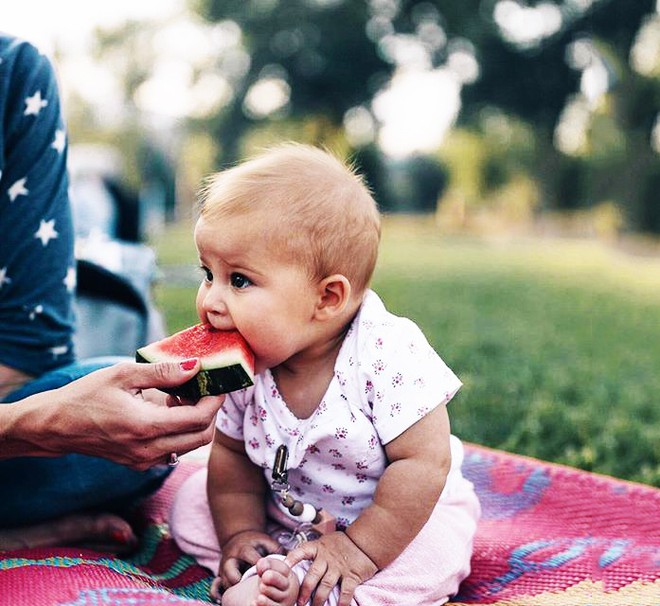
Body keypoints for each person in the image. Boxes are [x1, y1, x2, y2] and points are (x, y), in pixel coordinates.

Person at [169, 143, 481, 606]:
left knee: (437, 550)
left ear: (328, 298)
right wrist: (241, 531)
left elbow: (423, 464)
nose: (211, 301)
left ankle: (328, 590)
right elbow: (233, 459)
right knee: (190, 506)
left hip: (397, 520)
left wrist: (358, 549)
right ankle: (268, 567)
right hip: (287, 515)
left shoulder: (386, 353)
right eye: (206, 273)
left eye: (238, 280)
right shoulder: (241, 361)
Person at [0, 34, 223, 550]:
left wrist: (42, 421)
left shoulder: (14, 73)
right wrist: (41, 424)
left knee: (135, 416)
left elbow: (27, 345)